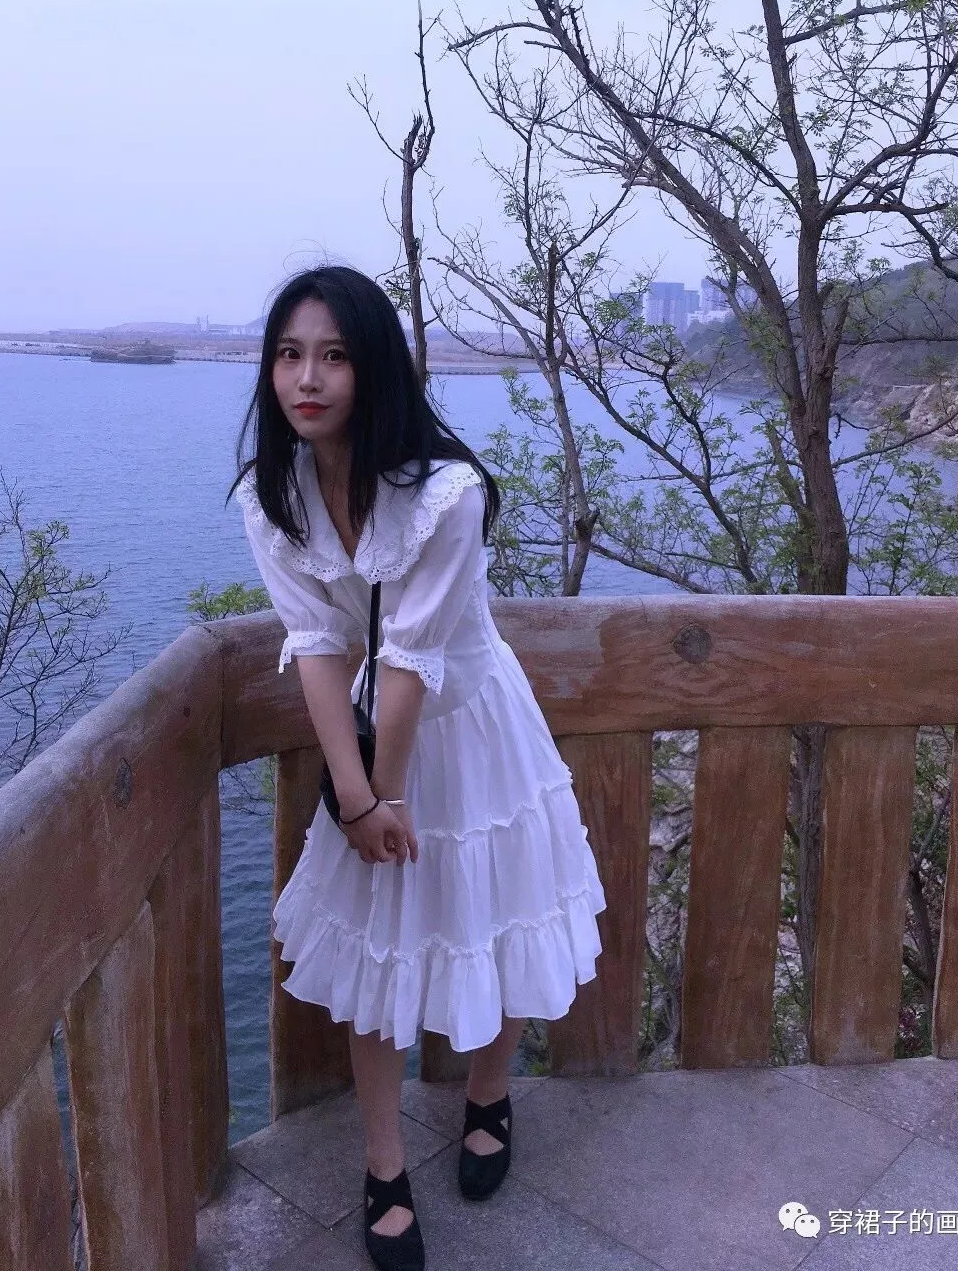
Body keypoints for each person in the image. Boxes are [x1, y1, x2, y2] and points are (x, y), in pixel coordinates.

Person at [227, 264, 606, 1271]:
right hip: (371, 736)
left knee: (500, 914)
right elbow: (318, 643)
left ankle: (490, 1092)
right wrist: (355, 799)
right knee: (374, 955)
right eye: (290, 355)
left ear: (376, 368)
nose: (308, 378)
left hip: (473, 729)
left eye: (334, 356)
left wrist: (379, 793)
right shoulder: (274, 496)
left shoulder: (445, 494)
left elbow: (413, 659)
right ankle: (384, 1165)